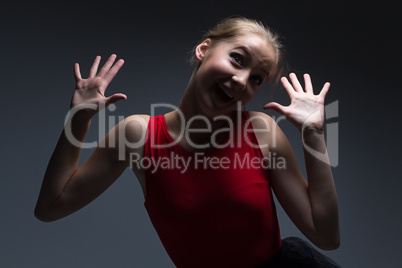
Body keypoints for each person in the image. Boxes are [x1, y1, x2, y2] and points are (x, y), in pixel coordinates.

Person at [34, 17, 341, 267]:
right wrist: (79, 118)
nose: (241, 80)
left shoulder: (261, 133)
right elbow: (51, 207)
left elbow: (326, 236)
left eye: (257, 79)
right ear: (204, 49)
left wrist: (313, 134)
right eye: (237, 59)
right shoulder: (138, 136)